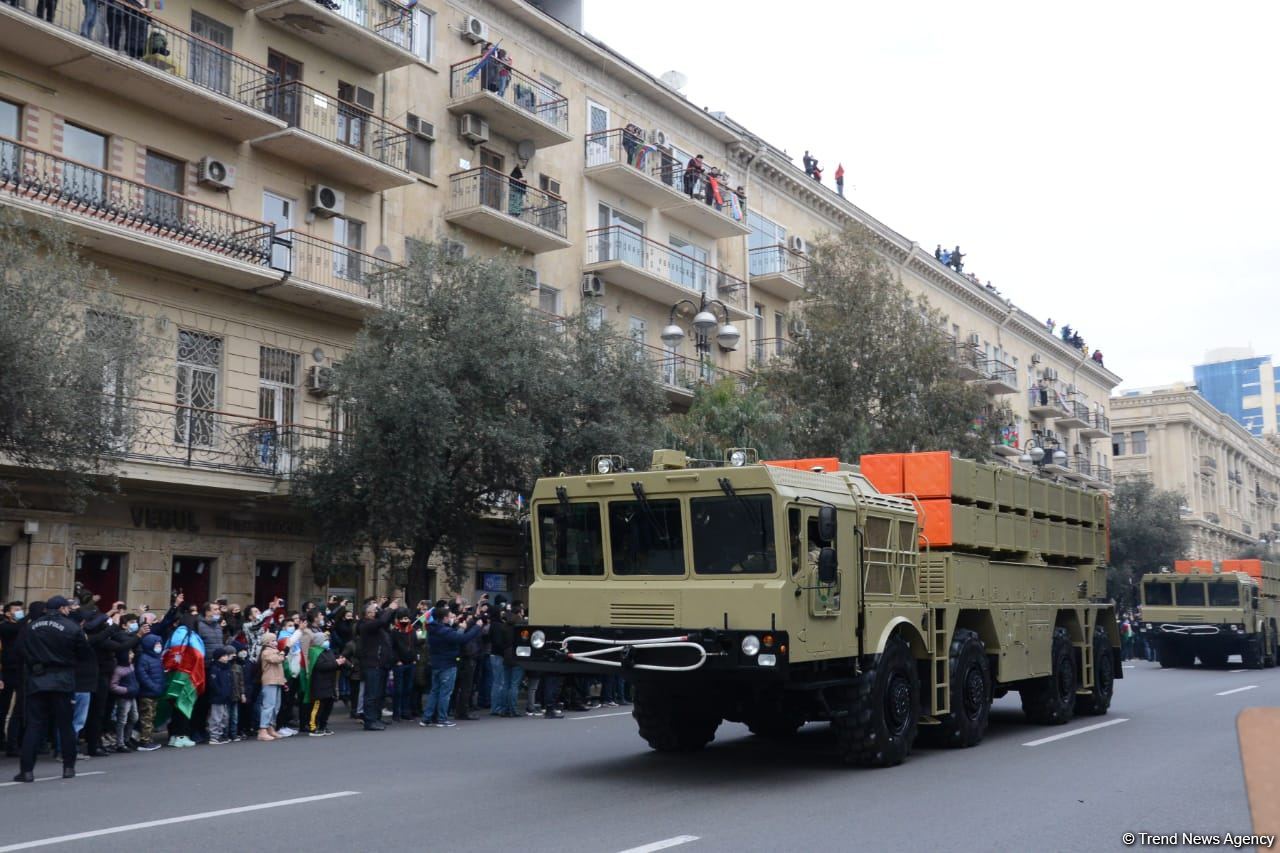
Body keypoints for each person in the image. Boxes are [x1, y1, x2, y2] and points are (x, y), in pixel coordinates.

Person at [15, 596, 92, 782]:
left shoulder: (31, 627)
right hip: (63, 680)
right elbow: (85, 653)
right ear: (62, 608)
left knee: (34, 725)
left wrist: (35, 663)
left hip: (38, 679)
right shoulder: (72, 627)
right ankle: (68, 767)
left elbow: (20, 649)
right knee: (65, 725)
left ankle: (26, 771)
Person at [421, 605, 482, 728]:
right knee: (445, 693)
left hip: (436, 663)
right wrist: (476, 627)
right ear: (444, 618)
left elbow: (454, 636)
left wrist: (461, 627)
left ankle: (427, 718)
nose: (451, 619)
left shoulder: (432, 628)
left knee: (434, 692)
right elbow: (462, 639)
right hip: (447, 664)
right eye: (449, 617)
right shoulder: (444, 631)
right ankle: (442, 718)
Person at [357, 598, 397, 731]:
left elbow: (385, 620)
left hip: (380, 663)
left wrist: (381, 608)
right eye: (372, 611)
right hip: (371, 663)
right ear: (366, 614)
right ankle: (369, 721)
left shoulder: (376, 624)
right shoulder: (365, 625)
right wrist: (389, 608)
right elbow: (383, 620)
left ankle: (376, 717)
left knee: (379, 693)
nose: (375, 613)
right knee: (371, 694)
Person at [0, 601, 25, 757]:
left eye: (21, 609)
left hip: (20, 670)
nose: (19, 612)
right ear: (8, 613)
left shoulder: (22, 627)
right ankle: (3, 740)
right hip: (7, 671)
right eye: (16, 610)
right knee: (3, 707)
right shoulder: (5, 627)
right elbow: (15, 630)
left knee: (20, 708)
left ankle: (14, 742)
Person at [305, 631, 341, 736]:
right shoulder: (314, 652)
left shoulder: (328, 651)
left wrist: (339, 662)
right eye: (325, 639)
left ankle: (323, 726)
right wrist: (336, 663)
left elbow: (333, 662)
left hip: (329, 684)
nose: (327, 641)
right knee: (318, 707)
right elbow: (320, 666)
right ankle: (313, 727)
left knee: (328, 706)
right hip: (319, 685)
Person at [134, 627, 164, 751]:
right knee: (146, 717)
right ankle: (144, 741)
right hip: (147, 693)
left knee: (151, 716)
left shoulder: (156, 658)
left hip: (154, 692)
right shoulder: (144, 659)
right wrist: (154, 687)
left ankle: (148, 738)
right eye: (156, 644)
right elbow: (142, 676)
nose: (159, 646)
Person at [108, 648, 140, 752]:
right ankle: (120, 743)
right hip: (124, 697)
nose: (132, 655)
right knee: (122, 720)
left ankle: (127, 738)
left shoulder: (131, 666)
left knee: (134, 717)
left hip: (132, 695)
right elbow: (113, 686)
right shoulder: (118, 670)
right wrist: (126, 690)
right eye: (130, 653)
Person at [257, 632, 284, 741]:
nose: (275, 642)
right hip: (269, 681)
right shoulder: (266, 652)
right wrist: (282, 653)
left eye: (275, 640)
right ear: (267, 642)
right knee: (268, 706)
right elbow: (276, 659)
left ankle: (270, 727)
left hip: (277, 681)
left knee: (276, 706)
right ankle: (262, 729)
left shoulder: (275, 652)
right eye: (272, 641)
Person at [205, 646, 233, 745]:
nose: (226, 657)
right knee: (216, 717)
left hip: (225, 697)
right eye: (224, 656)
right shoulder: (214, 668)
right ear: (219, 657)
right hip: (217, 697)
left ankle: (220, 734)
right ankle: (214, 736)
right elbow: (213, 684)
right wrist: (219, 693)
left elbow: (230, 682)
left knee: (224, 717)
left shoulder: (227, 668)